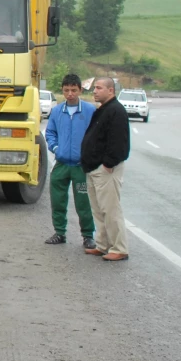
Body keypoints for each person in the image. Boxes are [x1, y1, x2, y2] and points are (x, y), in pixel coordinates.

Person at [81, 76, 131, 261]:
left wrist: (108, 164)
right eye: (94, 88)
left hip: (106, 170)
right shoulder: (102, 110)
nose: (94, 91)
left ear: (111, 90)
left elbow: (119, 143)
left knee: (110, 209)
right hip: (93, 168)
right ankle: (103, 245)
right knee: (98, 209)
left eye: (99, 88)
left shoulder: (116, 111)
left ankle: (119, 247)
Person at [44, 72, 96, 248]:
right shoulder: (57, 111)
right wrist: (56, 148)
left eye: (74, 90)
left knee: (84, 202)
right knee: (58, 199)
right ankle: (59, 232)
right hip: (62, 164)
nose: (70, 94)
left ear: (80, 90)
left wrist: (90, 154)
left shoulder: (89, 111)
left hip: (81, 166)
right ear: (62, 91)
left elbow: (96, 134)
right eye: (66, 90)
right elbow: (50, 132)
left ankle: (88, 235)